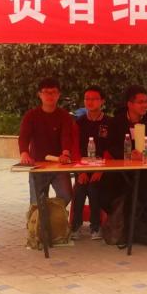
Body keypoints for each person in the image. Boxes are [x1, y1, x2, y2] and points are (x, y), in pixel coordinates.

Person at [103, 85, 147, 213]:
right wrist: (128, 154)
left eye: (146, 102)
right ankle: (121, 218)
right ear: (130, 104)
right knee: (108, 186)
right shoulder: (116, 122)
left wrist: (145, 154)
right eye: (140, 102)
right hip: (122, 170)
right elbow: (111, 147)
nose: (145, 105)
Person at [18, 77, 76, 206]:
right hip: (38, 164)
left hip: (59, 164)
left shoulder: (64, 116)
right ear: (39, 94)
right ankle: (41, 215)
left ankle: (51, 213)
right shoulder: (31, 115)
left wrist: (66, 153)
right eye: (46, 92)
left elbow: (66, 136)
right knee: (36, 203)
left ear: (58, 95)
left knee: (66, 194)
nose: (50, 95)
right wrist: (24, 153)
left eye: (53, 92)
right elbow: (23, 137)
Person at [73, 85, 110, 239]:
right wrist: (80, 171)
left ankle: (95, 227)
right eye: (87, 99)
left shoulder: (109, 122)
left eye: (94, 99)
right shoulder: (79, 123)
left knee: (94, 188)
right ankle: (75, 226)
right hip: (82, 167)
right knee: (80, 189)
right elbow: (75, 148)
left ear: (102, 101)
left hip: (102, 169)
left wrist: (101, 170)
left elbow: (110, 148)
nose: (90, 102)